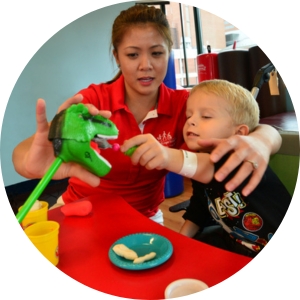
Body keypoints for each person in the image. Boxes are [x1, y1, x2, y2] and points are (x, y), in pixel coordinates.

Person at [13, 5, 282, 226]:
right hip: (79, 211)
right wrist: (36, 156)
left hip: (145, 219)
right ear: (117, 57)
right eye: (132, 55)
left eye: (156, 53)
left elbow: (239, 131)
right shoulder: (93, 102)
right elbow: (24, 156)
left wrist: (264, 139)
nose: (146, 66)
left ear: (168, 54)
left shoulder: (185, 106)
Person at [121, 79, 291, 257]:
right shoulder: (200, 170)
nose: (191, 122)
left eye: (206, 116)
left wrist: (166, 155)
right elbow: (199, 209)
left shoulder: (243, 157)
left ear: (239, 134)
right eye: (189, 116)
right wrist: (180, 242)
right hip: (234, 240)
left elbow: (209, 168)